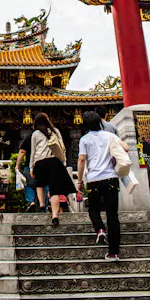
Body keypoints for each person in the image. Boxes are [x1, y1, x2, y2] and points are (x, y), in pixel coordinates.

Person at [77, 111, 129, 262]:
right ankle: (113, 253)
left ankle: (100, 229)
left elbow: (81, 160)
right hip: (111, 178)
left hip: (94, 179)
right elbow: (125, 148)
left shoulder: (84, 139)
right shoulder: (110, 136)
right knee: (113, 215)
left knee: (93, 209)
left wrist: (79, 182)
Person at [30, 112, 76, 225]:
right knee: (54, 190)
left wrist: (31, 167)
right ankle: (55, 216)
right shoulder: (55, 131)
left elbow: (33, 151)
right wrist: (64, 161)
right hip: (54, 161)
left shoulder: (35, 134)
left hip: (40, 162)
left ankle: (41, 204)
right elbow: (62, 147)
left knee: (39, 184)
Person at [15, 132, 36, 212]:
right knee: (45, 185)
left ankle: (31, 201)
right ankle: (46, 204)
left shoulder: (30, 136)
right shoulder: (48, 135)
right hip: (46, 165)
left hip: (30, 165)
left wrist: (17, 165)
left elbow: (22, 152)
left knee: (28, 183)